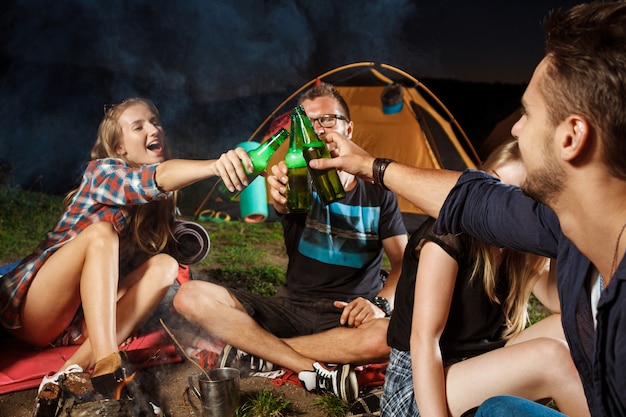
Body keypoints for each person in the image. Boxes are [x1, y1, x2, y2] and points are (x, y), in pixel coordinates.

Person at [308, 3, 626, 415]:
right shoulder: (539, 227)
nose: (515, 128)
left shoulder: (546, 239)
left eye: (527, 113)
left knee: (547, 358)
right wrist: (370, 166)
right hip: (424, 386)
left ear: (571, 137)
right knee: (548, 356)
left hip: (469, 370)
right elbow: (473, 201)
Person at [0, 98, 255, 403]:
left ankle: (70, 370)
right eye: (139, 126)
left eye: (155, 121)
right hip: (36, 311)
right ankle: (108, 363)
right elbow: (155, 178)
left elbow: (165, 221)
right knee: (101, 234)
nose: (153, 129)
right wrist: (215, 166)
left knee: (164, 265)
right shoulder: (102, 172)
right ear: (119, 147)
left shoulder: (161, 200)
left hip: (79, 325)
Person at [173, 82, 408, 402]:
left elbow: (404, 262)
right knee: (190, 295)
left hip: (347, 317)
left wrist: (378, 305)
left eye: (328, 119)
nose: (318, 129)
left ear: (348, 128)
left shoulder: (379, 191)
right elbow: (284, 200)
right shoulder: (293, 176)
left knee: (390, 335)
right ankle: (304, 359)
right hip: (289, 308)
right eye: (308, 122)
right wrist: (279, 196)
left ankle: (258, 351)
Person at [382, 139, 588, 417]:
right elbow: (423, 342)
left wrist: (559, 229)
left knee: (578, 324)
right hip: (418, 391)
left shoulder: (516, 247)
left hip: (476, 368)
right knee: (552, 359)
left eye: (515, 198)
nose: (498, 206)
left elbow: (558, 300)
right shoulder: (448, 234)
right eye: (494, 186)